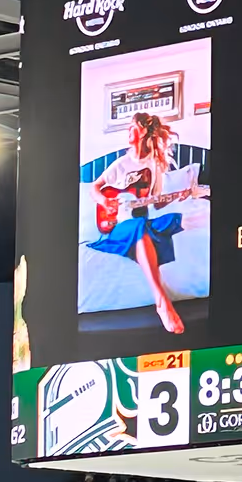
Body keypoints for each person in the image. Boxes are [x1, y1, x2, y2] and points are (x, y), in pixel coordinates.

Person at [87, 112, 205, 334]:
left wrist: (176, 196)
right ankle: (162, 301)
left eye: (132, 127)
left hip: (140, 220)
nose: (128, 131)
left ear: (143, 131)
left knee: (172, 220)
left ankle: (162, 299)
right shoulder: (121, 164)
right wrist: (105, 201)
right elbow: (95, 188)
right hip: (117, 227)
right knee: (142, 227)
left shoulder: (154, 166)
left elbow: (155, 204)